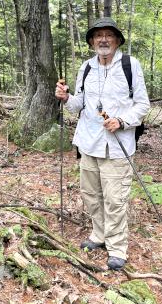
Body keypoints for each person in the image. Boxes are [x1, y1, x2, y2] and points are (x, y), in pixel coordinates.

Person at [55, 17, 150, 270]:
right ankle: (99, 235)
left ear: (117, 41)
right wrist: (66, 98)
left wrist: (122, 120)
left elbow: (142, 104)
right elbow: (80, 106)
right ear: (91, 42)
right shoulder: (86, 67)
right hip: (88, 143)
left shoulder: (131, 65)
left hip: (118, 146)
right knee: (91, 195)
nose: (103, 40)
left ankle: (117, 247)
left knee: (115, 199)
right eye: (98, 36)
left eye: (109, 35)